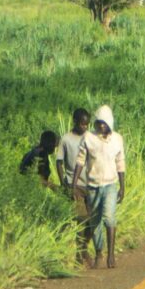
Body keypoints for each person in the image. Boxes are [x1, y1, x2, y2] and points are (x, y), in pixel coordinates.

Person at [77, 103, 127, 269]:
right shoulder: (88, 138)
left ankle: (111, 255)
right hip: (93, 186)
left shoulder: (117, 139)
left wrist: (122, 187)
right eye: (99, 122)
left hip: (110, 185)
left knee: (109, 218)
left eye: (104, 123)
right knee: (95, 222)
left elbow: (120, 164)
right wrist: (74, 183)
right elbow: (80, 161)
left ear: (109, 123)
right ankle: (99, 252)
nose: (101, 126)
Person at [53, 107, 92, 259]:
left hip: (91, 183)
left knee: (93, 219)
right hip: (74, 185)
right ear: (75, 122)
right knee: (81, 219)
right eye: (82, 124)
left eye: (87, 125)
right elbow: (59, 162)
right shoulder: (66, 139)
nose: (84, 127)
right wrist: (64, 183)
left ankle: (84, 248)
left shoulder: (90, 137)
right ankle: (80, 252)